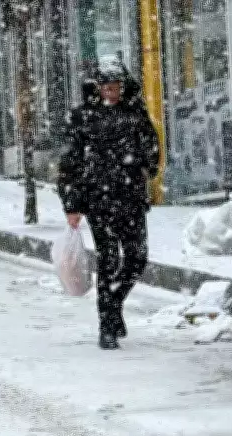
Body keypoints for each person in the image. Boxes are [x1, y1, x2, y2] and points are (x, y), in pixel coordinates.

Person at [57, 66, 160, 350]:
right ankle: (107, 326)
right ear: (96, 89)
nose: (110, 93)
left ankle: (114, 306)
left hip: (131, 198)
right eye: (105, 88)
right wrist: (72, 204)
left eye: (115, 87)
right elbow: (69, 163)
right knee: (109, 260)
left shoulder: (134, 113)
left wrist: (147, 167)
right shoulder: (82, 118)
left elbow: (151, 145)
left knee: (137, 258)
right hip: (98, 200)